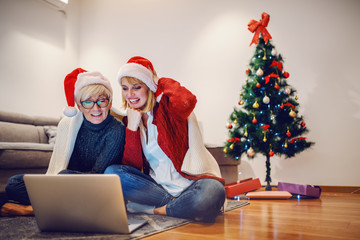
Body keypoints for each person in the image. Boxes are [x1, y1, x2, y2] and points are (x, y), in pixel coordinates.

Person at [105, 56, 226, 222]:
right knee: (112, 173)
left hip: (190, 185)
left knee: (214, 191)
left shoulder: (167, 108)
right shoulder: (129, 118)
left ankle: (156, 211)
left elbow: (187, 101)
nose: (130, 94)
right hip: (158, 190)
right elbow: (132, 166)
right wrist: (132, 128)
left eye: (137, 87)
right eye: (125, 88)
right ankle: (181, 207)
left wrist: (159, 82)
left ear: (149, 86)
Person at [2, 69, 126, 215]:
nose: (96, 108)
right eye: (88, 102)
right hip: (68, 182)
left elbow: (97, 176)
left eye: (101, 100)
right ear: (79, 106)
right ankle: (61, 203)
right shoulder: (71, 125)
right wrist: (62, 182)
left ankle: (34, 209)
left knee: (65, 175)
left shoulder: (116, 130)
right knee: (14, 183)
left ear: (109, 103)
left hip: (95, 186)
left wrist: (65, 180)